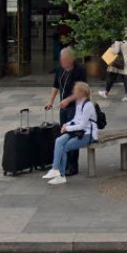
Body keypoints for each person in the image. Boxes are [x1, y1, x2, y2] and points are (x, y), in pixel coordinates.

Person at [43, 82, 98, 185]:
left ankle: (60, 174)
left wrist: (68, 128)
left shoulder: (88, 105)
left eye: (75, 91)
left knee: (64, 148)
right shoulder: (79, 103)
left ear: (81, 93)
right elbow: (76, 119)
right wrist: (66, 125)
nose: (73, 93)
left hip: (88, 134)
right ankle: (56, 170)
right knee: (59, 141)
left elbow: (82, 125)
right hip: (78, 132)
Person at [44, 47, 88, 176]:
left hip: (75, 107)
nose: (62, 62)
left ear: (71, 59)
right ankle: (65, 163)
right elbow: (56, 85)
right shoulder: (60, 69)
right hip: (64, 108)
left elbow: (82, 90)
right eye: (61, 59)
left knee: (73, 135)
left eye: (65, 59)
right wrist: (50, 101)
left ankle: (73, 166)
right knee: (63, 134)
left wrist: (68, 100)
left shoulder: (79, 70)